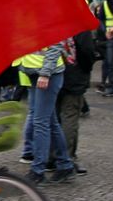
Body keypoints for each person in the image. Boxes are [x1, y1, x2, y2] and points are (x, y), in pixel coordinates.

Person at [16, 41, 74, 183]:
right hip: (36, 72)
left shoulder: (45, 18)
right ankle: (65, 164)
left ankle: (38, 170)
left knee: (40, 123)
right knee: (50, 122)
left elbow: (55, 45)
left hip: (46, 74)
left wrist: (45, 73)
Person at [57, 25, 97, 174]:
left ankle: (50, 156)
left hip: (54, 73)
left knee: (53, 117)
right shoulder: (79, 25)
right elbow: (87, 52)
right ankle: (66, 157)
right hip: (73, 74)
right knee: (69, 117)